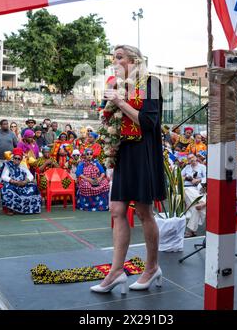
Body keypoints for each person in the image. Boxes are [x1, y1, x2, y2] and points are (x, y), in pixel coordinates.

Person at [90, 45, 166, 294]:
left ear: (133, 60)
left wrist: (119, 102)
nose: (114, 61)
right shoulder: (117, 84)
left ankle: (152, 267)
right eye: (113, 57)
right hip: (123, 151)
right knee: (117, 209)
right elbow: (109, 120)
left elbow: (147, 122)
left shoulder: (150, 83)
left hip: (143, 151)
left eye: (119, 57)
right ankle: (116, 271)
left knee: (144, 211)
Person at [0, 147, 41, 215]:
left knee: (34, 187)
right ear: (13, 158)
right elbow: (4, 176)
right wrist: (14, 181)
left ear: (21, 159)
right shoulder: (8, 165)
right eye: (15, 158)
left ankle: (30, 209)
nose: (17, 160)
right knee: (7, 189)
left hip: (22, 184)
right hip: (12, 184)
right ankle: (11, 209)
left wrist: (25, 182)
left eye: (19, 159)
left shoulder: (23, 166)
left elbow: (31, 176)